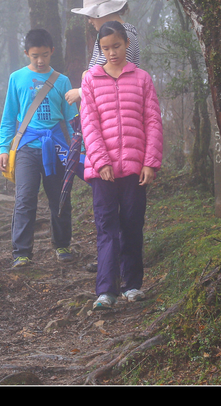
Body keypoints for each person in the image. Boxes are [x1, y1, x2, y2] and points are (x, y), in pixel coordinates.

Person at [80, 21, 163, 309]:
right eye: (105, 49)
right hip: (102, 172)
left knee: (132, 226)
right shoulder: (91, 80)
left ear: (127, 43)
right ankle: (106, 291)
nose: (112, 53)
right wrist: (101, 161)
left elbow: (153, 122)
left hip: (135, 170)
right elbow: (89, 124)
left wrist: (150, 163)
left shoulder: (142, 79)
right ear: (99, 50)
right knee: (106, 228)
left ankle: (133, 285)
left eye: (116, 46)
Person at [0, 29, 79, 268]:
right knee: (24, 199)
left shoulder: (62, 81)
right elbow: (9, 116)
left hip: (56, 146)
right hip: (26, 147)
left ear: (52, 51)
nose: (40, 60)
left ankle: (62, 245)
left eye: (44, 55)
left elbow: (72, 119)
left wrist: (79, 148)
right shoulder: (17, 78)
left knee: (60, 197)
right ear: (26, 53)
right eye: (35, 56)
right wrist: (4, 149)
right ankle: (21, 253)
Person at [65, 0, 140, 106]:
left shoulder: (126, 36)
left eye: (90, 16)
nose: (89, 21)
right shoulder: (102, 37)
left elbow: (118, 77)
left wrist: (81, 93)